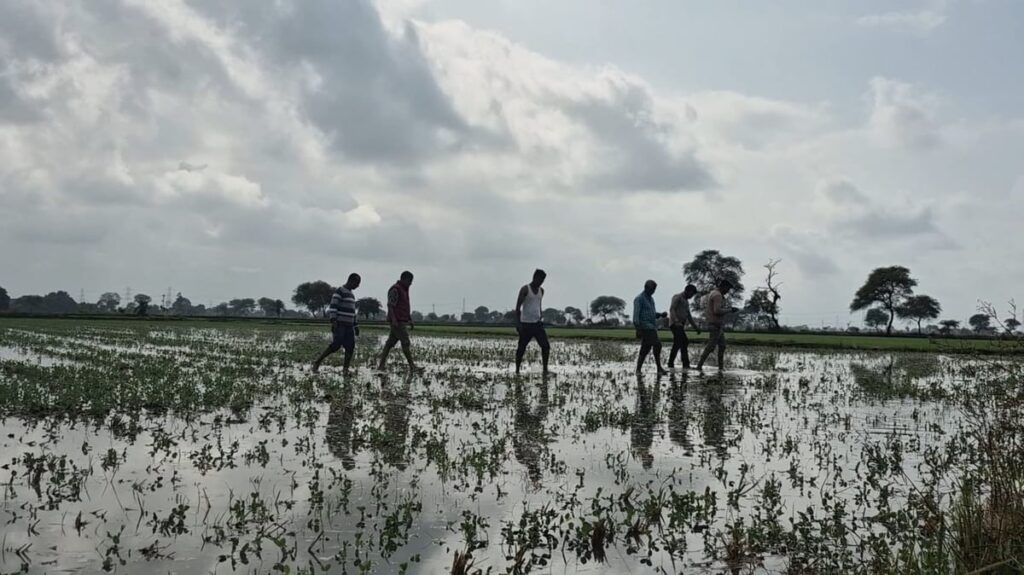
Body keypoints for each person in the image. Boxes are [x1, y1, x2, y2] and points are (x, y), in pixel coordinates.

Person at [312, 273, 361, 374]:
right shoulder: (340, 291)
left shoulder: (351, 295)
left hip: (349, 326)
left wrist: (356, 325)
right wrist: (333, 321)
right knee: (336, 345)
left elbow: (353, 312)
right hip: (340, 324)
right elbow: (333, 307)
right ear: (351, 281)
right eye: (357, 283)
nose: (358, 286)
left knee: (350, 347)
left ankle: (345, 369)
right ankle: (317, 362)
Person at [377, 271, 421, 371]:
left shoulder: (404, 290)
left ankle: (381, 365)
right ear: (404, 279)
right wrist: (394, 320)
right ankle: (412, 366)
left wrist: (409, 319)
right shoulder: (395, 289)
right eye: (410, 281)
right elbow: (390, 305)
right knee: (405, 342)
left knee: (389, 344)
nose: (411, 283)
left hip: (401, 320)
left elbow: (404, 307)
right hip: (397, 321)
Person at [515, 269, 551, 375]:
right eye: (540, 280)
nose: (541, 282)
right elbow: (518, 308)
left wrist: (541, 316)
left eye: (543, 280)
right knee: (521, 348)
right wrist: (518, 324)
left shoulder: (541, 291)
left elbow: (538, 305)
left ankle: (545, 369)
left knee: (545, 346)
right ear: (535, 277)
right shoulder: (525, 289)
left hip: (537, 324)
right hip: (526, 324)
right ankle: (517, 370)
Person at [696, 279, 738, 371]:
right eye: (728, 289)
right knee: (710, 346)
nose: (728, 291)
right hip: (715, 325)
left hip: (716, 325)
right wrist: (730, 310)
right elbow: (717, 311)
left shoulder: (714, 293)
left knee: (722, 346)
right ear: (723, 286)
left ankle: (721, 367)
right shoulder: (717, 295)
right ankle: (699, 366)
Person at [632, 280, 668, 376]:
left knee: (645, 348)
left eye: (654, 290)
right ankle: (659, 368)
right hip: (645, 327)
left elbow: (651, 314)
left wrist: (660, 314)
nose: (653, 292)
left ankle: (638, 369)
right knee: (657, 344)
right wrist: (638, 329)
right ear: (646, 288)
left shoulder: (651, 299)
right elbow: (636, 316)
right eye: (652, 289)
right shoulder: (639, 299)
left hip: (652, 327)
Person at [668, 284, 701, 369]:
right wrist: (676, 321)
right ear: (687, 291)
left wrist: (695, 327)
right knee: (684, 341)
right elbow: (672, 309)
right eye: (692, 294)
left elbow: (688, 315)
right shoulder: (677, 297)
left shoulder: (686, 301)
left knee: (679, 343)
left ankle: (673, 363)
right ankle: (684, 364)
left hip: (681, 325)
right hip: (675, 324)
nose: (692, 296)